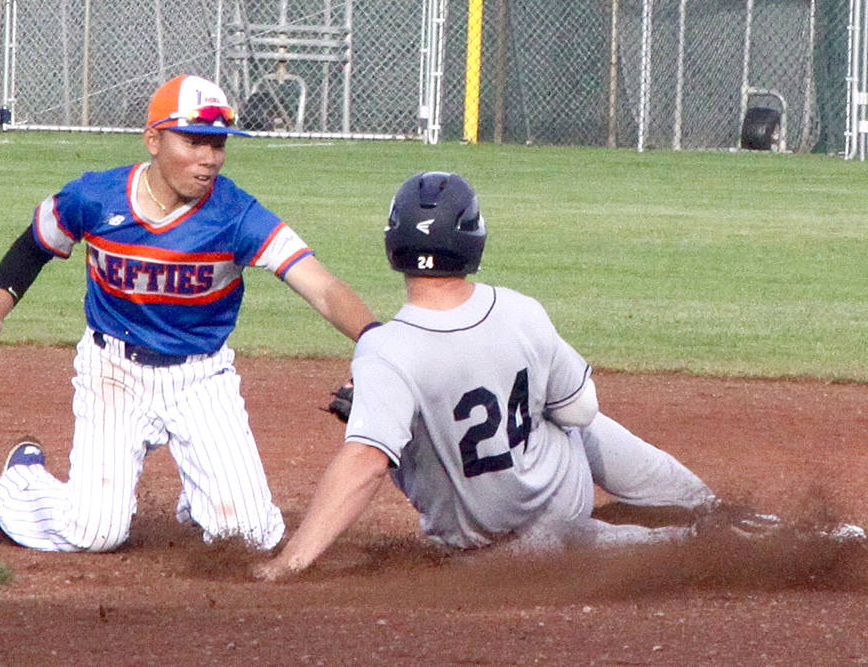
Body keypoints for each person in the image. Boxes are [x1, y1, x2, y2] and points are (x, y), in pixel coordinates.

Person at [0, 74, 378, 552]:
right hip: (113, 372)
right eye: (194, 142)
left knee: (248, 539)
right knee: (94, 532)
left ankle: (204, 495)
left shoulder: (237, 215)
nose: (209, 159)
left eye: (217, 145)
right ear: (153, 139)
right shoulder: (95, 198)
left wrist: (378, 342)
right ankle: (22, 483)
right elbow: (33, 245)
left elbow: (322, 287)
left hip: (201, 377)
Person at [254, 171, 711, 580]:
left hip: (491, 550)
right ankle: (707, 511)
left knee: (404, 439)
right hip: (559, 509)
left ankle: (688, 532)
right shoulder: (520, 311)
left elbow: (366, 463)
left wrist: (291, 561)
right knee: (576, 423)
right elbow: (581, 408)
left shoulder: (385, 350)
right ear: (473, 239)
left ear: (394, 243)